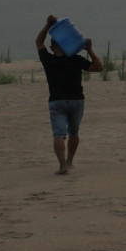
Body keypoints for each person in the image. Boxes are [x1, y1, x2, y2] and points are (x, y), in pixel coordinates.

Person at [36, 14, 105, 175]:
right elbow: (99, 67)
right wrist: (90, 50)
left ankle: (62, 165)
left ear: (53, 47)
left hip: (57, 101)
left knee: (59, 134)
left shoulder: (48, 59)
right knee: (74, 132)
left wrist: (47, 26)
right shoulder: (76, 59)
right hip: (76, 101)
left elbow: (39, 42)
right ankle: (70, 161)